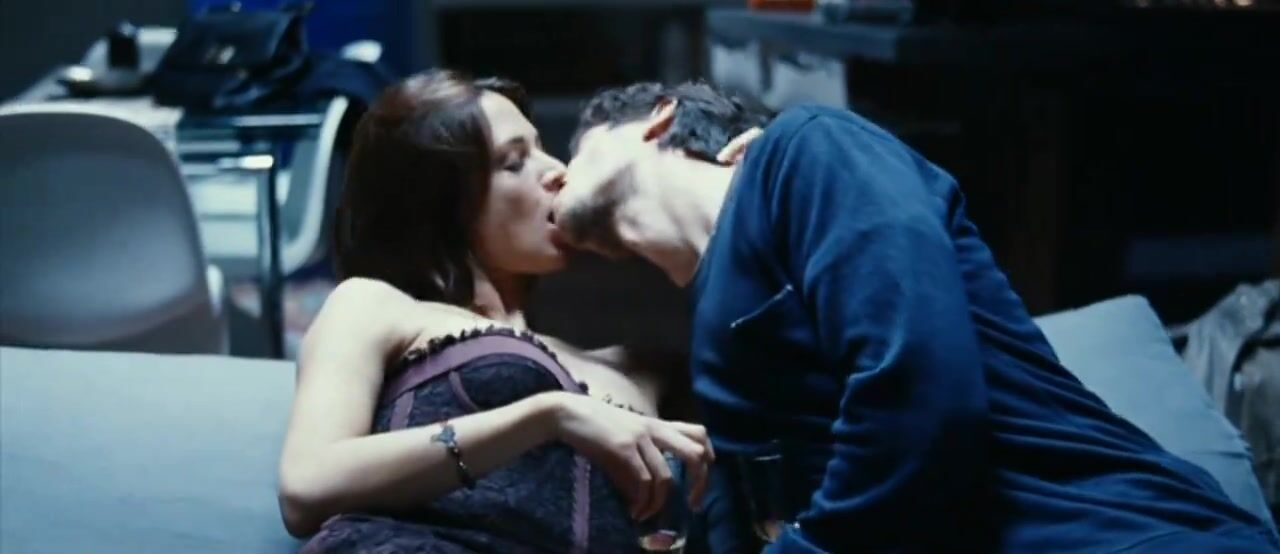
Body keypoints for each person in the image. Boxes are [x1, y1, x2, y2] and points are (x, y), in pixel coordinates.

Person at [551, 81, 1280, 552]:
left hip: (1106, 532)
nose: (555, 174)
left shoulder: (804, 153)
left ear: (659, 119)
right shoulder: (714, 319)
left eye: (568, 152)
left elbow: (920, 391)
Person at [276, 70, 719, 553]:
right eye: (514, 162)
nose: (558, 170)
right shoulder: (376, 305)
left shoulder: (640, 368)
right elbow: (307, 487)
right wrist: (547, 415)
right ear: (443, 201)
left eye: (543, 149)